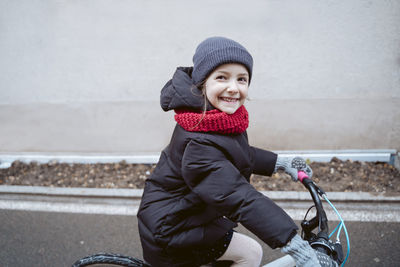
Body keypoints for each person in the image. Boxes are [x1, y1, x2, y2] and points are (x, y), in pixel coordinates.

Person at [137, 37, 336, 267]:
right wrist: (292, 242)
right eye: (222, 77)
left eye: (242, 79)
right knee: (250, 253)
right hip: (171, 230)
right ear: (203, 83)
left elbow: (237, 153)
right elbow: (238, 197)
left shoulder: (215, 119)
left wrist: (280, 162)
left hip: (186, 215)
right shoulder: (198, 143)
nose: (234, 87)